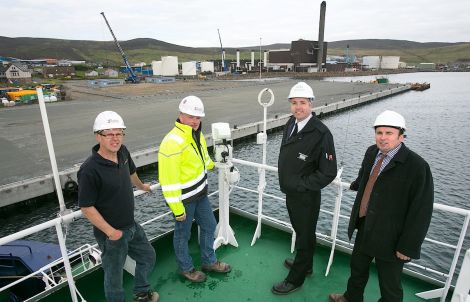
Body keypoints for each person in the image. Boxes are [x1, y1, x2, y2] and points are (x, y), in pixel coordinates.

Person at [329, 110, 434, 302]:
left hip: (391, 237)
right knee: (357, 269)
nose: (383, 138)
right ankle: (351, 298)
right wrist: (356, 185)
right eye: (379, 133)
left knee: (390, 285)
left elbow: (421, 211)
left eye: (389, 133)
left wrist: (408, 247)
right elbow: (365, 175)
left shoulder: (417, 167)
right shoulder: (371, 152)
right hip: (365, 225)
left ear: (401, 136)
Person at [78, 111, 158, 302]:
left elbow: (131, 173)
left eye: (119, 133)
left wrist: (142, 186)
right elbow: (86, 207)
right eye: (109, 134)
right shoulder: (89, 170)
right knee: (114, 279)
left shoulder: (122, 152)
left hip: (131, 225)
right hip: (111, 234)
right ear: (98, 136)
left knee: (148, 256)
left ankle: (141, 293)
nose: (115, 138)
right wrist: (111, 233)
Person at [273, 82, 337, 295]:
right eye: (294, 103)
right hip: (291, 192)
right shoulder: (291, 123)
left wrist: (301, 185)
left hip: (305, 196)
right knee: (302, 232)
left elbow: (328, 172)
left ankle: (296, 279)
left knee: (304, 236)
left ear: (311, 103)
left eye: (302, 103)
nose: (297, 107)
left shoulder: (321, 133)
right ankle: (306, 264)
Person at [158, 95, 231, 283]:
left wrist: (214, 166)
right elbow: (168, 180)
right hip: (184, 200)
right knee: (183, 234)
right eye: (191, 117)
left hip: (200, 194)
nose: (195, 121)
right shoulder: (172, 141)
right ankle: (186, 268)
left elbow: (201, 157)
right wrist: (177, 209)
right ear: (181, 115)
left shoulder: (194, 135)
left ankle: (208, 261)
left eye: (198, 118)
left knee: (209, 225)